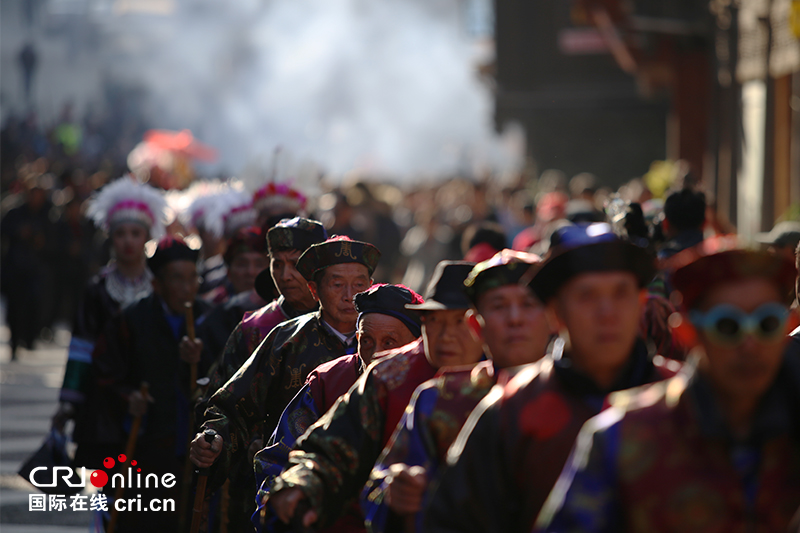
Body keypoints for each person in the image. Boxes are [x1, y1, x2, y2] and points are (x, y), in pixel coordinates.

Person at [424, 223, 680, 533]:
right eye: (587, 296)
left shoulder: (682, 397)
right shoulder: (511, 409)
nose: (607, 311)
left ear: (641, 304)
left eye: (621, 293)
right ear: (555, 313)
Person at [537, 241, 800, 532]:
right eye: (727, 326)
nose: (750, 346)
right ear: (688, 332)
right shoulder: (621, 438)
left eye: (767, 324)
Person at [264, 261, 484, 531]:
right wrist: (302, 485)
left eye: (459, 322)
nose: (446, 336)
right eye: (434, 321)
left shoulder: (511, 376)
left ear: (481, 324)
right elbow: (334, 444)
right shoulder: (388, 376)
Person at [190, 236, 380, 528]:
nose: (349, 296)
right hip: (290, 483)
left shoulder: (389, 338)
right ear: (314, 289)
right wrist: (214, 438)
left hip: (369, 486)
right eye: (337, 284)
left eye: (359, 284)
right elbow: (233, 405)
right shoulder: (285, 340)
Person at [362, 250, 553, 533]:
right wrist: (396, 492)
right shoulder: (436, 400)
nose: (515, 319)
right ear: (478, 325)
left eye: (528, 304)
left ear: (554, 316)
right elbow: (379, 486)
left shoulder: (595, 394)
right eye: (499, 306)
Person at [253, 283, 424, 532]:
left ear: (417, 343)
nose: (376, 354)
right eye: (366, 341)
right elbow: (281, 459)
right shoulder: (327, 382)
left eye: (390, 342)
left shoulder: (433, 385)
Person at [94, 235, 212, 531]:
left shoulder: (210, 319)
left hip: (196, 447)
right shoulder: (132, 318)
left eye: (192, 279)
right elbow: (105, 374)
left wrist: (202, 360)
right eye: (177, 279)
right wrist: (128, 397)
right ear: (157, 284)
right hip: (148, 446)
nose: (187, 288)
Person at [52, 177, 167, 468]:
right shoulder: (97, 289)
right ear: (110, 237)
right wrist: (70, 399)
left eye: (135, 233)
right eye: (121, 234)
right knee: (110, 487)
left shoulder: (163, 287)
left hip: (154, 398)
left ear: (147, 237)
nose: (128, 241)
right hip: (104, 399)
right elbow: (81, 345)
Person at [196, 225, 268, 362]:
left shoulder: (286, 316)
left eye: (259, 264)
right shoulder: (211, 321)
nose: (250, 272)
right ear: (229, 272)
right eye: (242, 264)